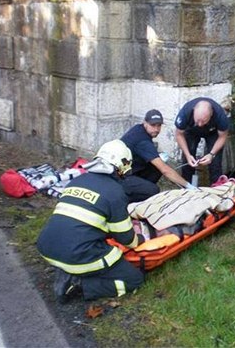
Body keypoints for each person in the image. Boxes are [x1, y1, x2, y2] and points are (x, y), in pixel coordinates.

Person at [36, 140, 145, 303]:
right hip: (76, 255)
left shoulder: (77, 181)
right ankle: (78, 284)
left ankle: (69, 270)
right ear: (122, 166)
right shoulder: (115, 192)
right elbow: (126, 239)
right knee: (134, 279)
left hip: (46, 247)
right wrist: (140, 239)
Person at [121, 109, 196, 202]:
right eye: (153, 125)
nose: (156, 129)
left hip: (127, 169)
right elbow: (165, 170)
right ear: (145, 123)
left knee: (158, 163)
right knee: (153, 190)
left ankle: (141, 189)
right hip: (120, 178)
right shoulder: (143, 142)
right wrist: (188, 186)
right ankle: (130, 200)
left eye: (159, 125)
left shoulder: (138, 129)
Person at [174, 97, 230, 186]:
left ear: (211, 114)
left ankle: (216, 188)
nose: (200, 124)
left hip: (213, 132)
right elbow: (179, 134)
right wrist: (188, 155)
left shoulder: (220, 116)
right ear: (193, 112)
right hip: (191, 131)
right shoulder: (185, 113)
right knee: (188, 160)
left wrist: (211, 154)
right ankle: (186, 187)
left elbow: (223, 136)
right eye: (197, 120)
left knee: (215, 163)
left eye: (203, 121)